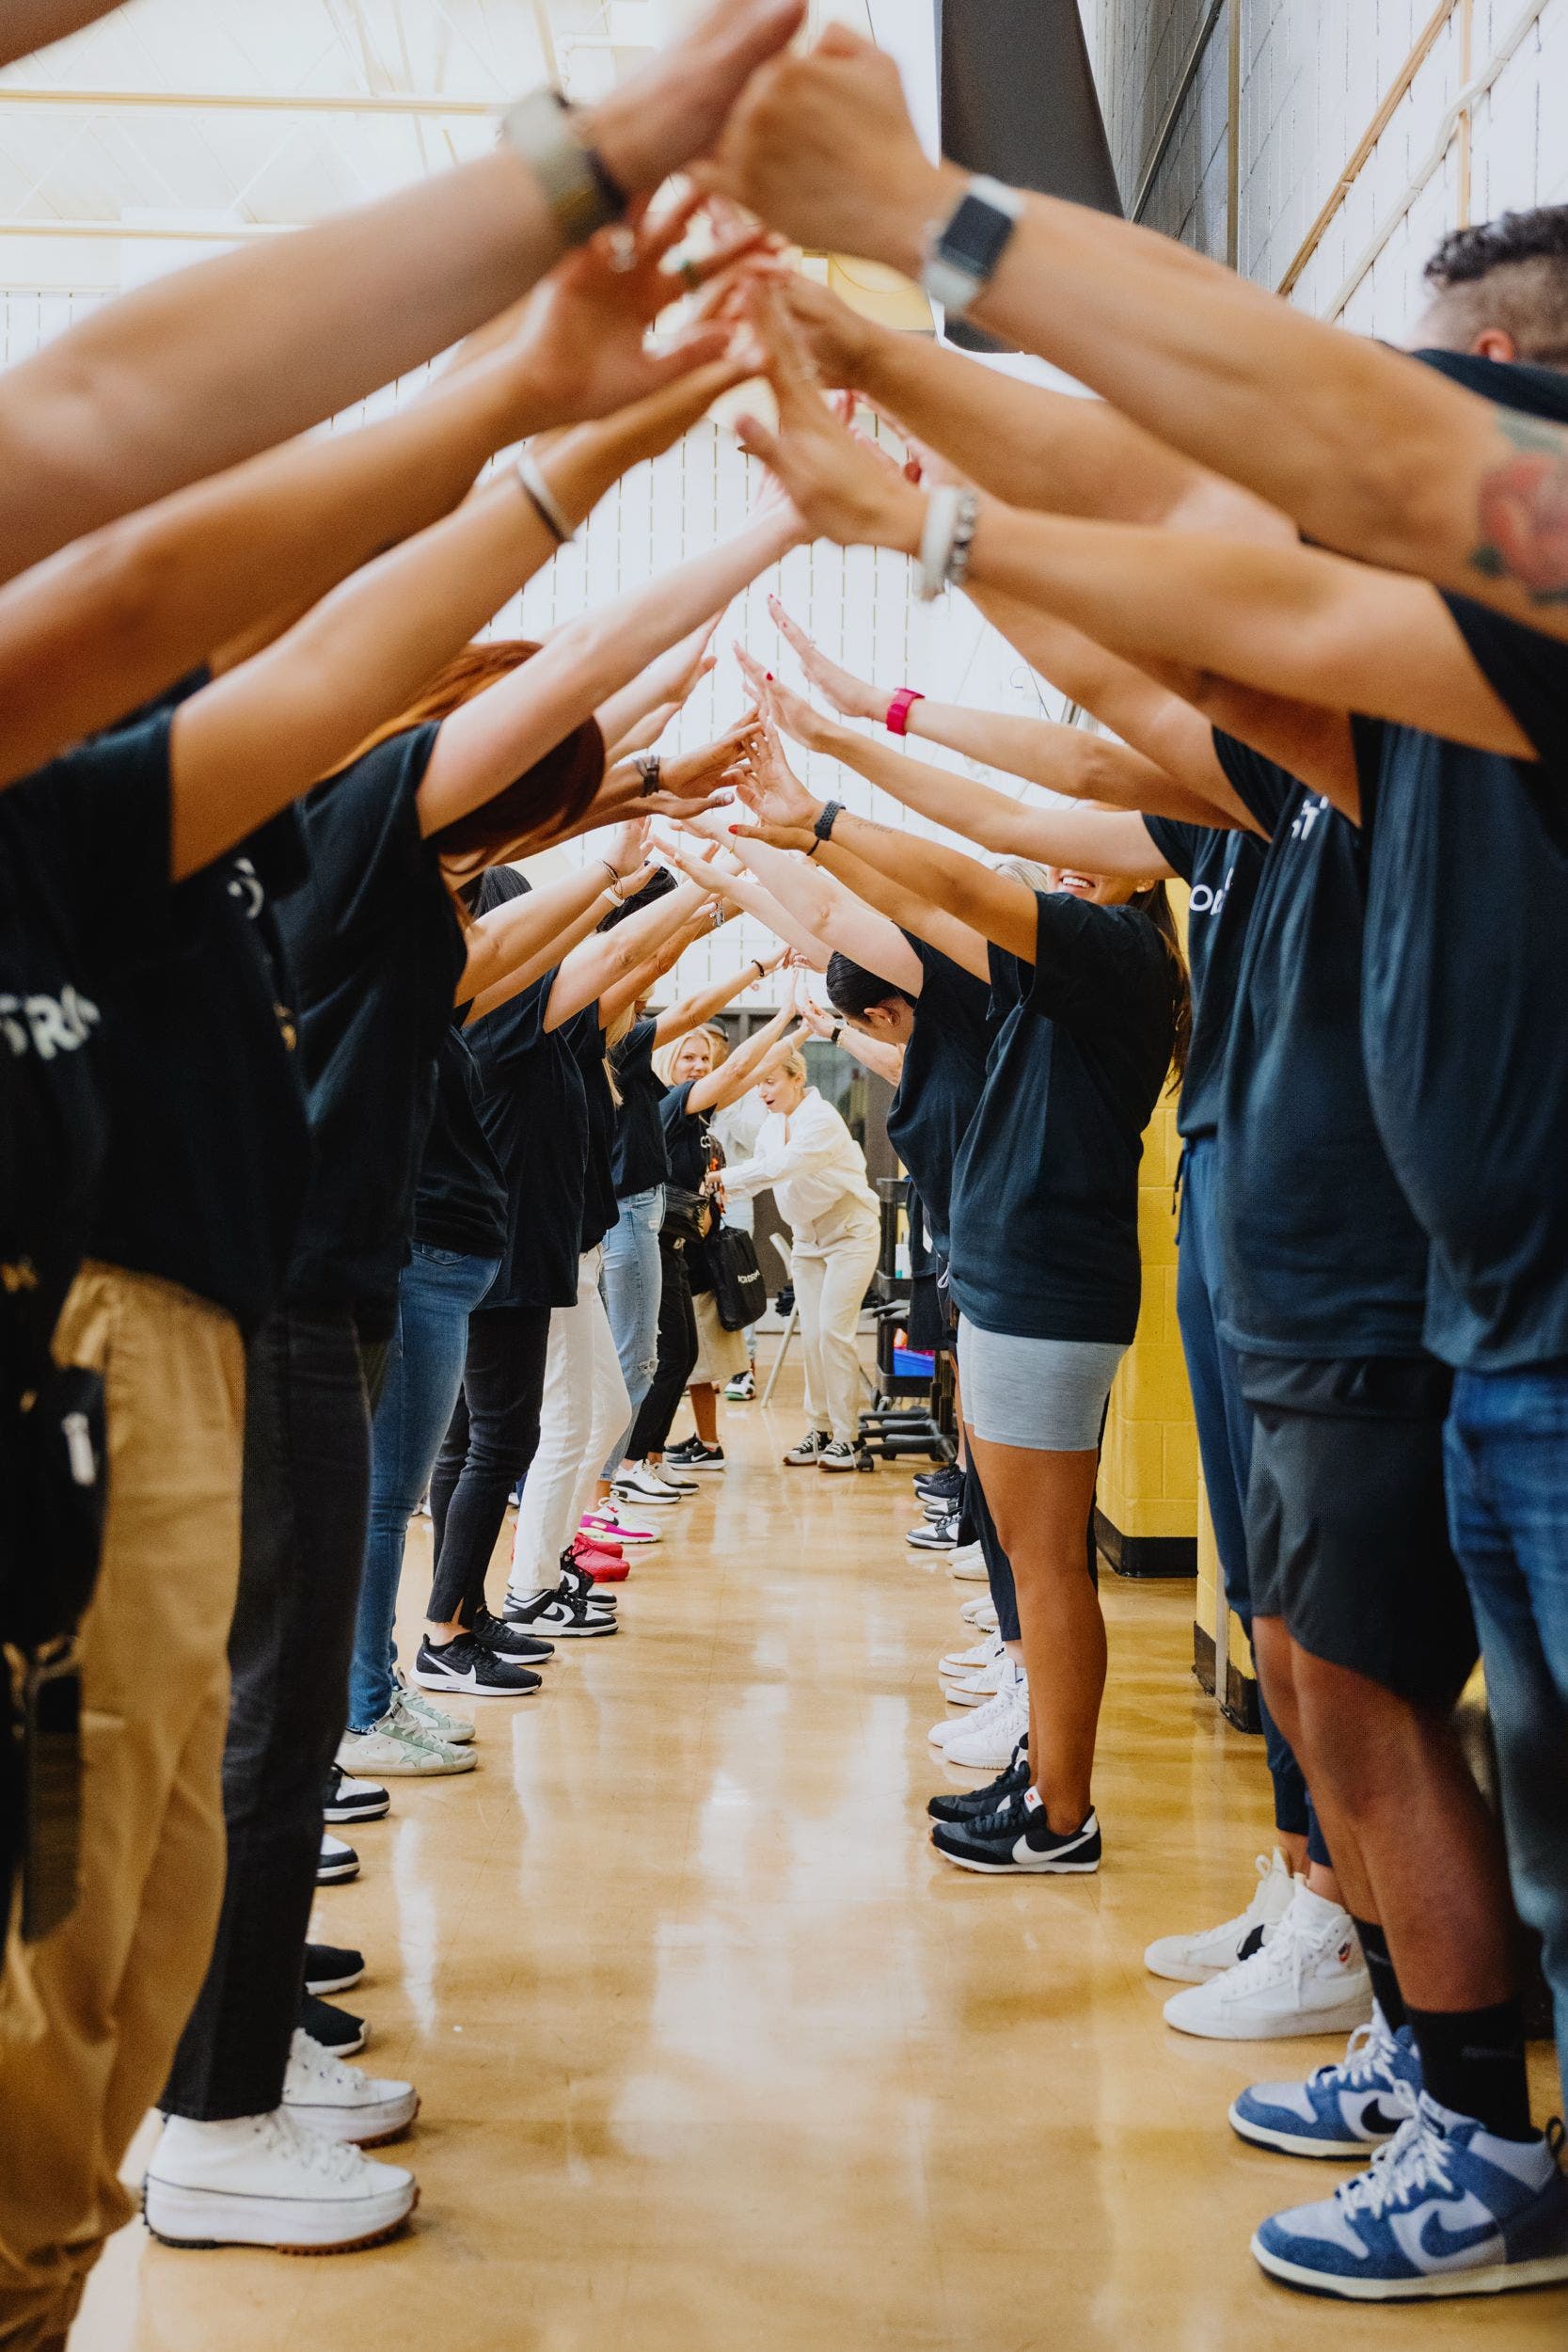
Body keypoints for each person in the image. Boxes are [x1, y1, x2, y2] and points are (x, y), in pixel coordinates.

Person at [618, 1009, 798, 1492]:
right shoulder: (672, 1103)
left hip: (678, 1247)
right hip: (649, 1245)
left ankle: (652, 1457)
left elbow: (747, 1074)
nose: (698, 1065)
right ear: (668, 1062)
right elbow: (738, 1069)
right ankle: (631, 1464)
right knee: (667, 1358)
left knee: (683, 1355)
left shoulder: (697, 1113)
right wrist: (787, 1012)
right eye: (688, 1058)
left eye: (704, 1058)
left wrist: (805, 1029)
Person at [720, 1023, 880, 1474]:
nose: (762, 1092)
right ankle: (820, 1429)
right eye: (758, 1084)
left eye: (770, 1081)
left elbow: (780, 1167)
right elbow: (761, 1167)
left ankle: (847, 1437)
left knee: (833, 1332)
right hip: (808, 1239)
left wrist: (723, 1179)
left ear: (796, 1078)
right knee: (811, 1335)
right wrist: (725, 1184)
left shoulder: (822, 1118)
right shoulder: (773, 1125)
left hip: (850, 1234)